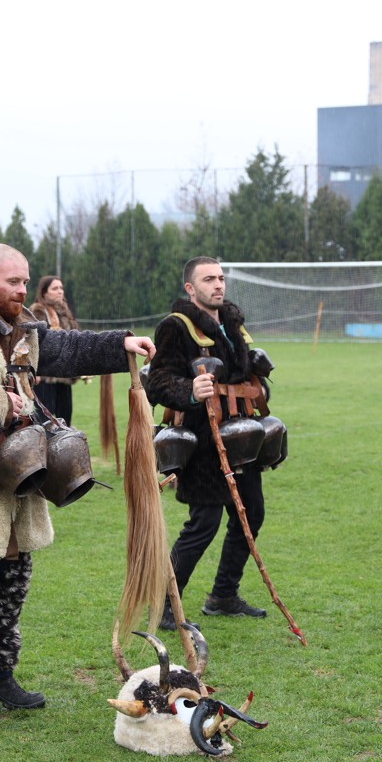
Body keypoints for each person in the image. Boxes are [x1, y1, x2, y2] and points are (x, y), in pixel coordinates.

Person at [0, 243, 154, 742]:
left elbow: (66, 349)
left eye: (25, 281)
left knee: (13, 576)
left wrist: (121, 344)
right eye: (12, 282)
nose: (22, 290)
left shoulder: (22, 328)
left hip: (17, 470)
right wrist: (1, 405)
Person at [145, 256, 276, 630]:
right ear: (191, 288)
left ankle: (223, 595)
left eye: (220, 278)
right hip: (203, 440)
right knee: (204, 523)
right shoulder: (175, 327)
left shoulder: (233, 323)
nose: (218, 284)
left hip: (243, 435)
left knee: (252, 513)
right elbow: (157, 382)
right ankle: (164, 605)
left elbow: (243, 374)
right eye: (208, 279)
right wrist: (190, 389)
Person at [28, 275, 82, 425]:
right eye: (55, 288)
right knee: (44, 423)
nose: (60, 291)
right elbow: (32, 343)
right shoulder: (37, 312)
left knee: (65, 420)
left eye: (61, 288)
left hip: (64, 376)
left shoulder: (65, 312)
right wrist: (34, 371)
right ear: (44, 293)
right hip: (45, 377)